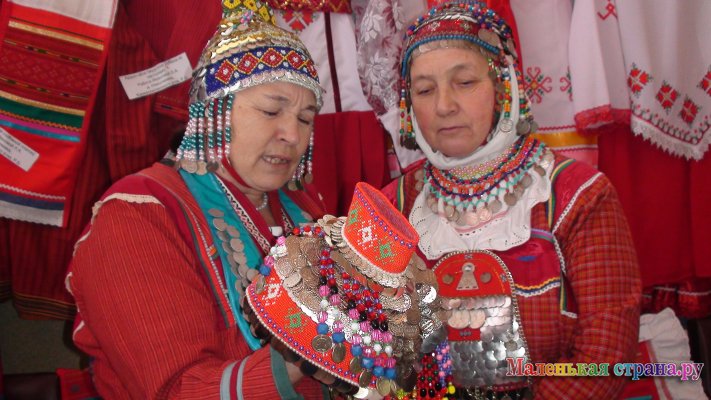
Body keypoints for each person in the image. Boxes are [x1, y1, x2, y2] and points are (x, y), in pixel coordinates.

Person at [65, 1, 339, 398]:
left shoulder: (302, 206)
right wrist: (320, 344)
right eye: (270, 111)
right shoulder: (136, 216)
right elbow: (178, 388)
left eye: (305, 118)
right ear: (212, 112)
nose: (293, 136)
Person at [381, 2, 641, 399]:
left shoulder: (576, 196)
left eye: (464, 82)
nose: (444, 105)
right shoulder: (392, 207)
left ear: (504, 88)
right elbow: (368, 347)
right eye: (425, 89)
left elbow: (603, 356)